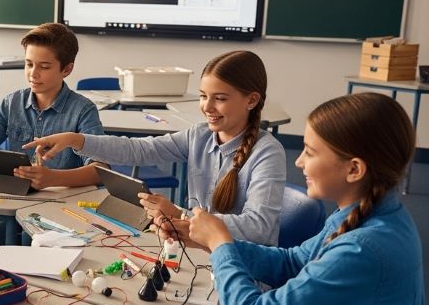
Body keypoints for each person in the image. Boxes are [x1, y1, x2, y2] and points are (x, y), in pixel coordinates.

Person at [139, 92, 425, 305]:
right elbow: (293, 261)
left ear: (354, 169)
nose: (300, 162)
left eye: (310, 152)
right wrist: (200, 238)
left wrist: (221, 244)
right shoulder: (364, 214)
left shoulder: (366, 248)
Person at [28, 50, 286, 246]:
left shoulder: (267, 153)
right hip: (196, 251)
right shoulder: (200, 135)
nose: (207, 107)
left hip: (241, 266)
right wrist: (76, 139)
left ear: (251, 100)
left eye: (219, 99)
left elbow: (259, 227)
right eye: (203, 96)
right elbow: (139, 150)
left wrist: (180, 214)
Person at [0, 22, 104, 270]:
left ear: (66, 69)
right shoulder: (12, 102)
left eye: (44, 67)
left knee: (40, 271)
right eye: (29, 64)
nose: (33, 74)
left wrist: (53, 178)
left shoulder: (83, 110)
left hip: (63, 213)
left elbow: (100, 168)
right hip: (17, 208)